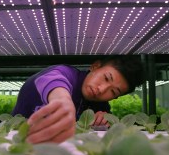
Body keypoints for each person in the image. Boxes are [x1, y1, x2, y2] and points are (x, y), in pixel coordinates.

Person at [12, 55, 144, 144]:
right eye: (106, 78)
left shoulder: (101, 106)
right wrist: (63, 101)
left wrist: (103, 122)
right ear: (95, 66)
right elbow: (53, 80)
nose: (101, 90)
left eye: (113, 91)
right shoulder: (65, 73)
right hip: (16, 141)